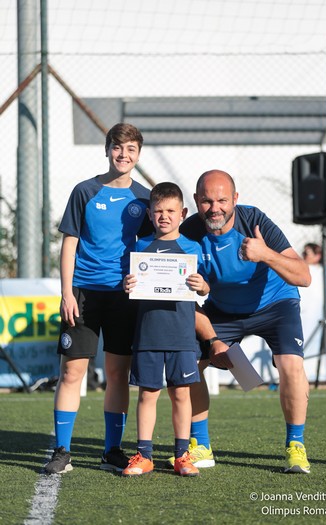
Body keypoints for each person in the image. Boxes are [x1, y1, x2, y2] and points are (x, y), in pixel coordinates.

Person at [178, 169, 312, 474]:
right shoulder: (188, 233)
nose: (215, 208)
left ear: (235, 199)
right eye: (207, 201)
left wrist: (266, 254)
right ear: (197, 201)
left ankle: (296, 446)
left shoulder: (255, 221)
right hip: (223, 310)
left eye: (223, 200)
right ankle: (201, 445)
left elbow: (304, 276)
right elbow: (183, 300)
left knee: (291, 364)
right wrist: (213, 340)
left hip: (275, 304)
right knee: (187, 359)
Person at [45, 123, 153, 474]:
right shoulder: (85, 191)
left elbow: (153, 248)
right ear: (107, 150)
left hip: (124, 297)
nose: (124, 155)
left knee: (117, 374)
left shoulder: (143, 198)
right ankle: (62, 451)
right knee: (73, 372)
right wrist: (66, 294)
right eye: (118, 148)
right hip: (84, 295)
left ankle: (112, 451)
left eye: (131, 149)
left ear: (138, 154)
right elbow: (70, 244)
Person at [122, 182, 210, 477]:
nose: (164, 216)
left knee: (181, 394)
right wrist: (127, 285)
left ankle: (182, 456)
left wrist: (202, 286)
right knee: (148, 394)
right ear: (149, 214)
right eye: (158, 211)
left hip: (182, 336)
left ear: (183, 213)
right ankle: (144, 455)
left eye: (171, 210)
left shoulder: (192, 248)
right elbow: (129, 284)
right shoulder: (139, 246)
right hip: (148, 334)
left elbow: (206, 287)